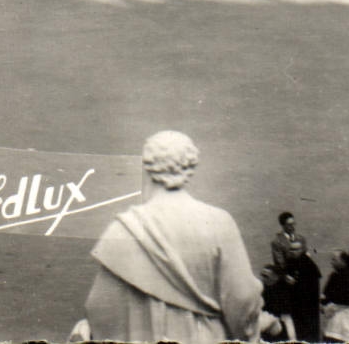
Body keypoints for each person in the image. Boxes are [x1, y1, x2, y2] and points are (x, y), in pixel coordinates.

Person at [81, 131, 262, 344]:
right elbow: (242, 300)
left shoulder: (124, 229)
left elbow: (100, 309)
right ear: (190, 166)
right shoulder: (219, 222)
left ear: (147, 166)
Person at [322, 251, 349, 343]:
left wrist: (331, 303)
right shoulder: (334, 276)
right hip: (334, 317)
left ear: (343, 262)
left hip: (346, 316)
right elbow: (326, 292)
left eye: (334, 260)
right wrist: (324, 302)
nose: (332, 262)